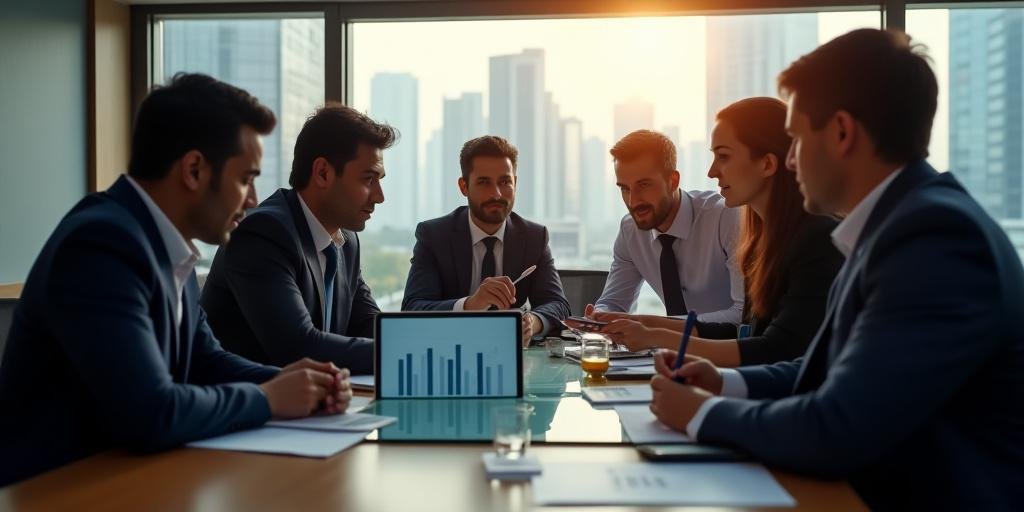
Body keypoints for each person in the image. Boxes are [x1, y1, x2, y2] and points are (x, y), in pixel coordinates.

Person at [648, 29, 1024, 508]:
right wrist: (723, 382)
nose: (788, 159)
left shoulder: (934, 237)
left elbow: (838, 427)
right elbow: (828, 371)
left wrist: (703, 415)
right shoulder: (893, 226)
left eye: (798, 138)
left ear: (842, 133)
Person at [0, 74, 352, 486]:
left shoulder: (167, 244)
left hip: (128, 477)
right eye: (245, 179)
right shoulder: (101, 243)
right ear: (194, 169)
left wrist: (295, 382)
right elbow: (149, 411)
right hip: (58, 488)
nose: (253, 200)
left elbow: (206, 360)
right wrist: (268, 398)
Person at [599, 98, 843, 367]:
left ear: (767, 164)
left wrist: (657, 336)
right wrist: (644, 326)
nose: (712, 171)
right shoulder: (762, 236)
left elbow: (780, 349)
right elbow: (744, 333)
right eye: (624, 188)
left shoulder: (815, 239)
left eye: (723, 156)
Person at [201, 104, 395, 374]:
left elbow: (368, 324)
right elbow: (298, 346)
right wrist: (403, 350)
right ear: (323, 173)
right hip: (250, 409)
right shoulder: (263, 233)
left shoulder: (345, 240)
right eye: (369, 179)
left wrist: (432, 340)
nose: (379, 196)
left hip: (311, 407)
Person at [402, 136, 570, 344]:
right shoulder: (434, 235)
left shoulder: (534, 237)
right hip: (448, 349)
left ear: (515, 183)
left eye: (504, 181)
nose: (496, 194)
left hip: (514, 359)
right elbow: (413, 307)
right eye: (483, 182)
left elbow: (558, 304)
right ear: (464, 186)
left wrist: (530, 323)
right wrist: (471, 305)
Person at [570, 130, 743, 325]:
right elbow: (614, 303)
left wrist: (654, 327)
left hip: (731, 351)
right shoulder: (630, 231)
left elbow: (742, 314)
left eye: (643, 185)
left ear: (673, 181)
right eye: (624, 188)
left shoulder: (724, 216)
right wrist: (599, 317)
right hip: (672, 353)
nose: (633, 200)